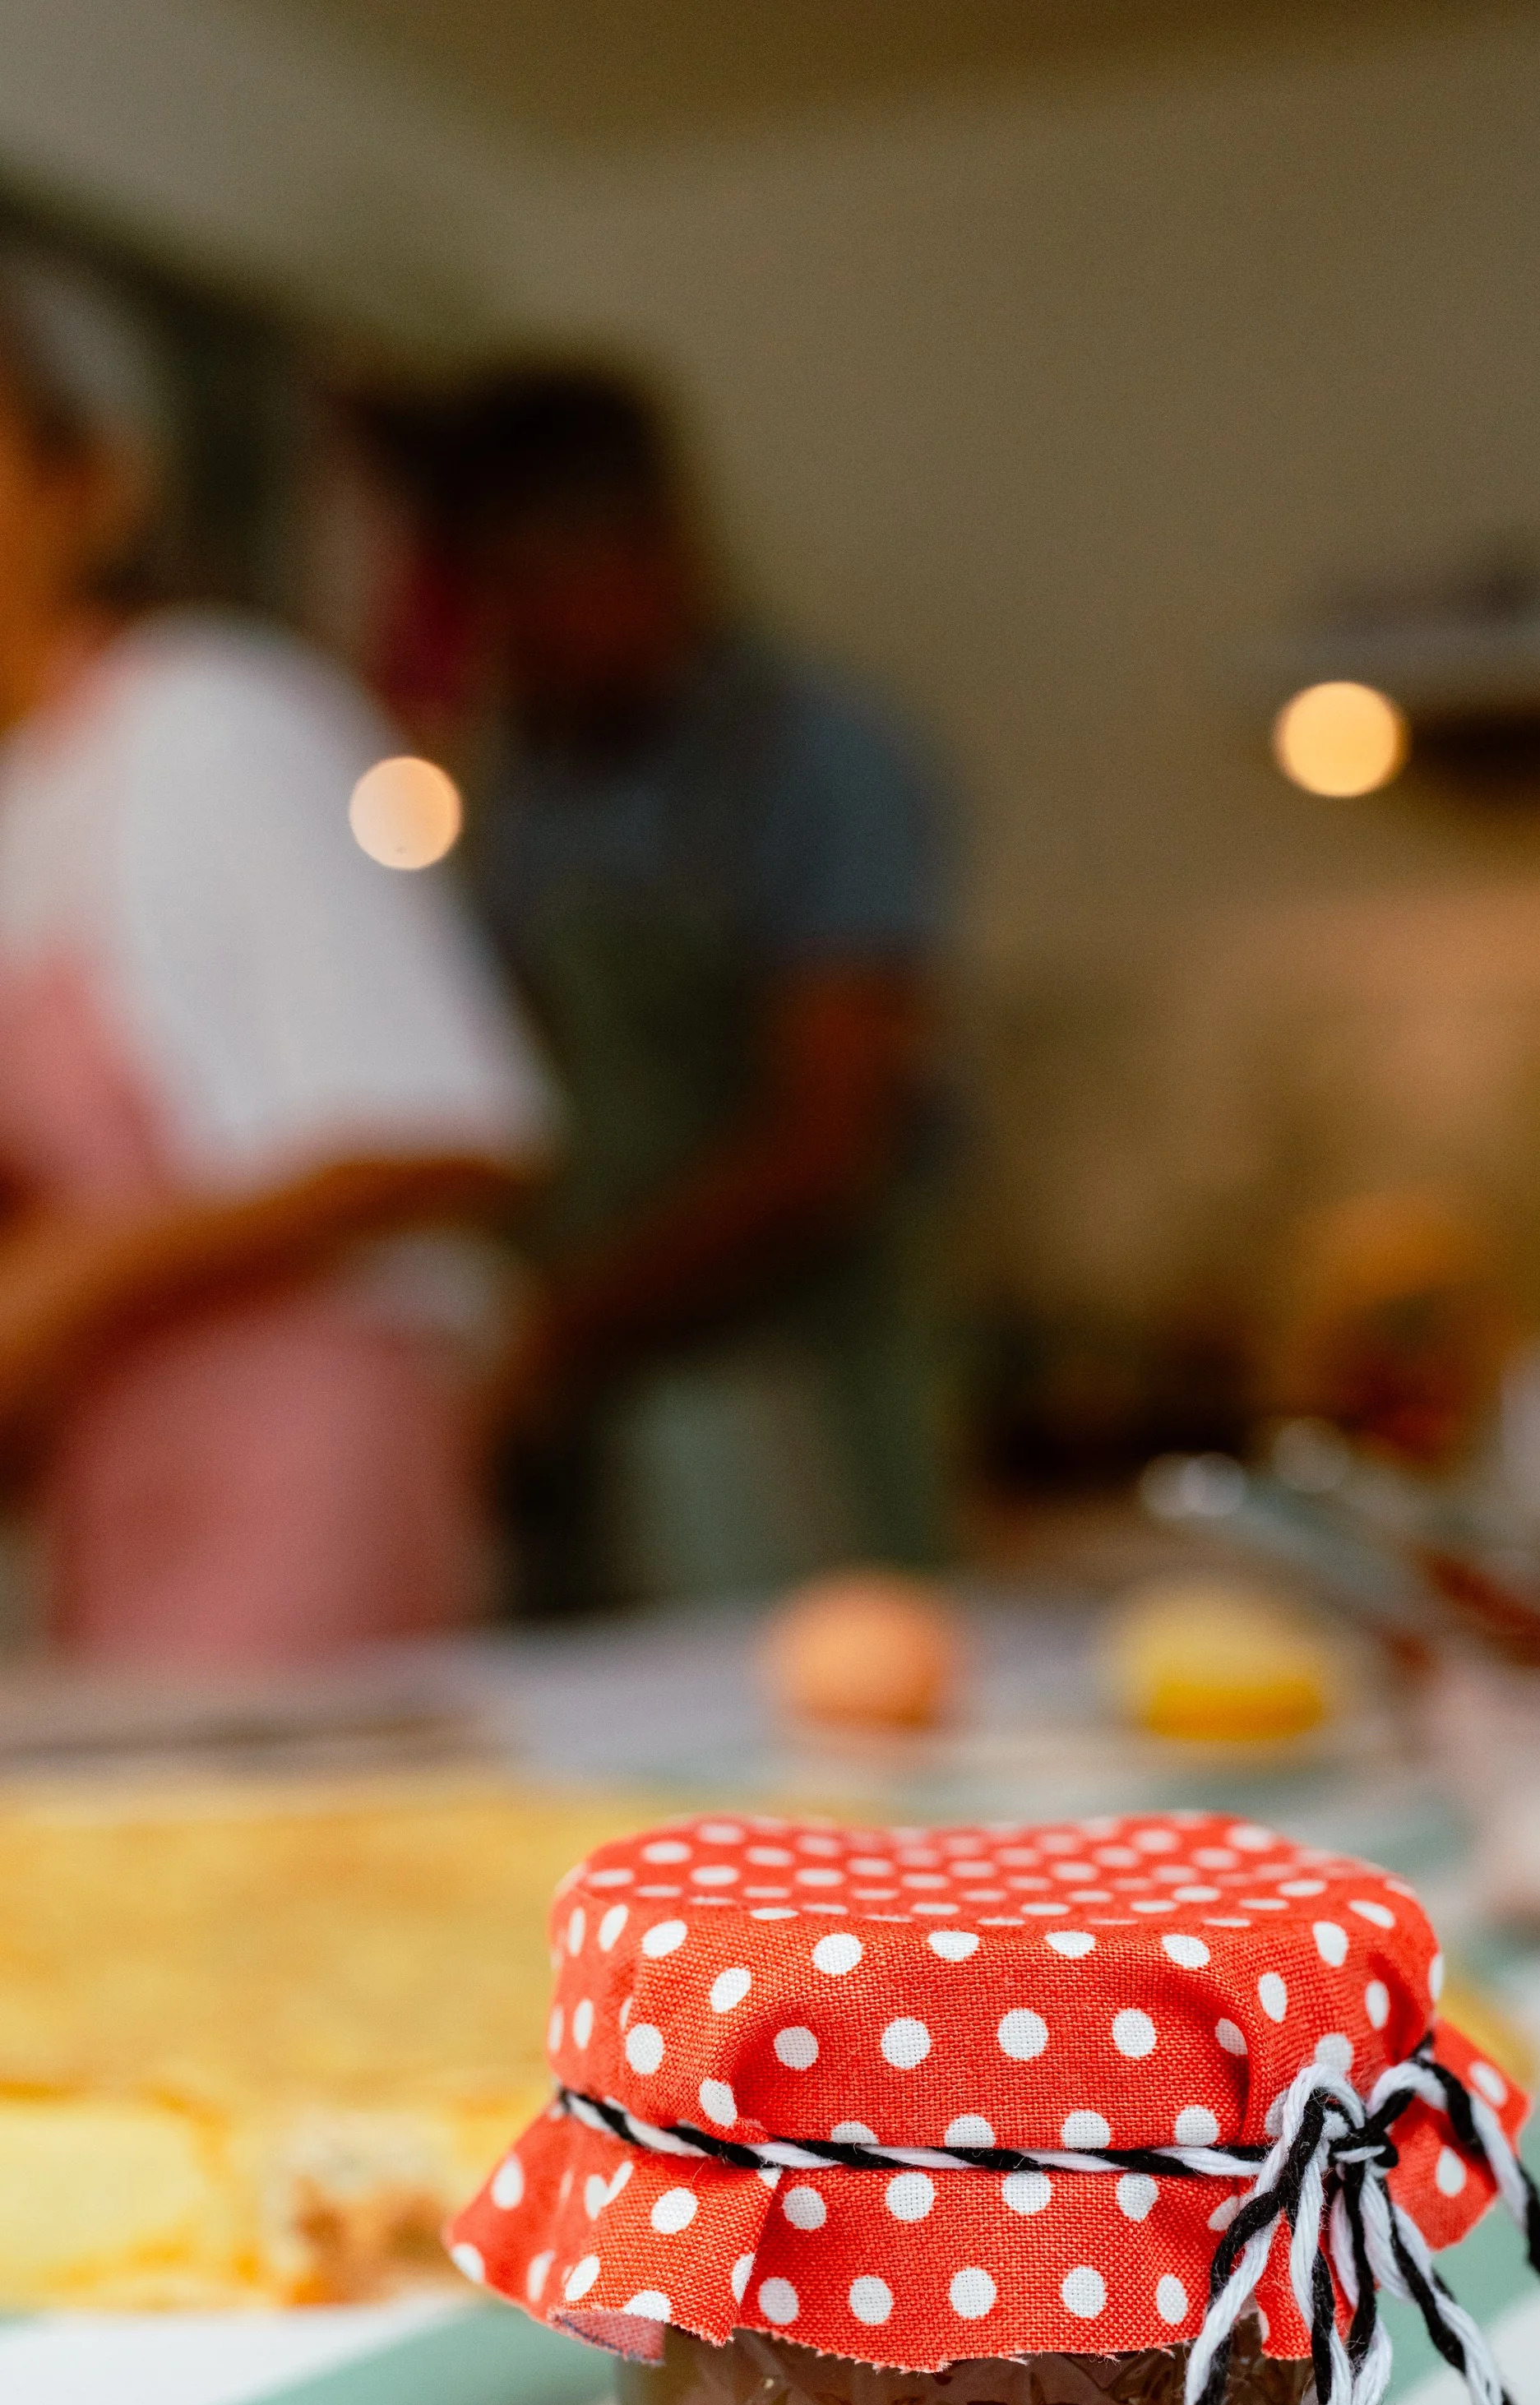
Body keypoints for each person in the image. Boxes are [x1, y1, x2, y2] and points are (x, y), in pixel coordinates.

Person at [0, 253, 554, 1664]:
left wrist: (70, 1276)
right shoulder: (24, 796)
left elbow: (457, 1128)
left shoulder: (223, 718)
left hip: (306, 1445)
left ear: (95, 482)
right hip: (113, 1465)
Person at [429, 363, 955, 1611]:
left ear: (656, 549)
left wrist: (565, 1321)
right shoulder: (527, 786)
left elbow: (825, 1141)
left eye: (542, 590)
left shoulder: (824, 762)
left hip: (785, 1391)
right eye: (492, 598)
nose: (519, 636)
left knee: (813, 1742)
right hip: (586, 1407)